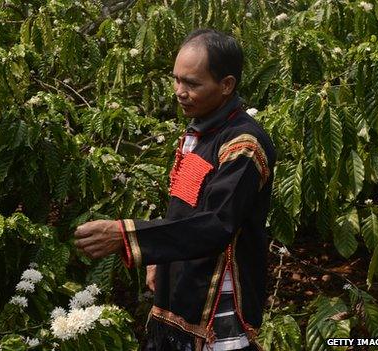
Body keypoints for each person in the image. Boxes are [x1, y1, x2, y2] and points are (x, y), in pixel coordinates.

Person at [74, 28, 276, 351]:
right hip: (182, 280)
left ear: (226, 85)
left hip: (214, 295)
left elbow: (216, 224)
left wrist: (126, 235)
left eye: (192, 84)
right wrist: (159, 259)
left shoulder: (243, 145)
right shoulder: (200, 129)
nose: (179, 92)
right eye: (176, 80)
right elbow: (184, 206)